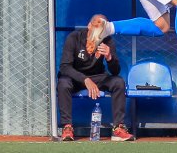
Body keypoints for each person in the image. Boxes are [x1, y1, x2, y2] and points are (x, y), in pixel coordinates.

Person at [57, 14, 134, 142]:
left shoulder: (107, 41)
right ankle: (67, 127)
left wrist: (109, 57)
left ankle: (118, 128)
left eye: (103, 28)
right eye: (96, 26)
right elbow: (65, 67)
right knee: (63, 83)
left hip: (98, 77)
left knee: (118, 82)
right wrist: (85, 79)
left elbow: (115, 71)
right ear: (89, 26)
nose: (99, 31)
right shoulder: (74, 37)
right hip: (76, 78)